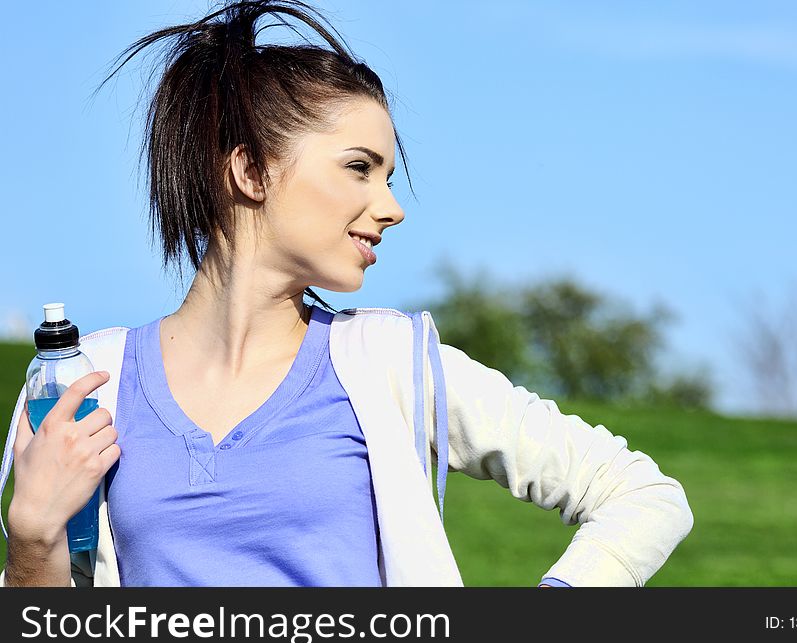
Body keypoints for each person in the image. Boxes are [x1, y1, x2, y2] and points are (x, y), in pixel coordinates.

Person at [0, 0, 693, 587]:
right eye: (360, 168)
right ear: (249, 170)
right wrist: (31, 540)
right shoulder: (86, 381)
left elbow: (641, 493)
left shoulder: (387, 362)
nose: (390, 207)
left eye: (386, 175)